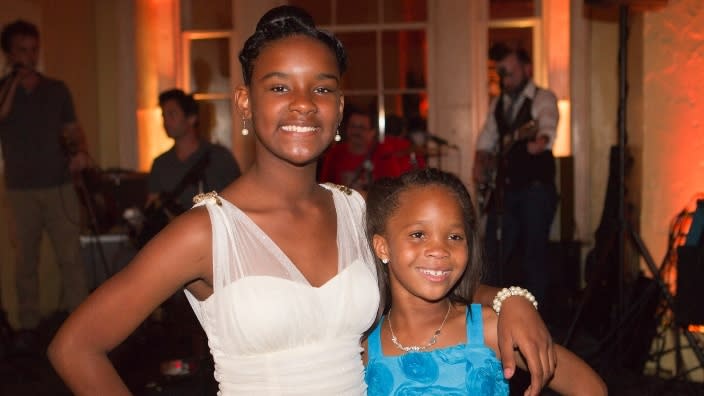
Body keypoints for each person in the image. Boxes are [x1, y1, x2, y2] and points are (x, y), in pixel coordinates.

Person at [49, 6, 556, 395]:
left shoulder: (356, 210)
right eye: (278, 86)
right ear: (245, 102)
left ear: (338, 108)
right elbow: (75, 347)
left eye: (321, 88)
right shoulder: (207, 232)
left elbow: (437, 277)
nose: (301, 105)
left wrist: (513, 300)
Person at [364, 168, 607, 395]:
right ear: (382, 247)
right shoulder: (363, 347)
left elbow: (589, 387)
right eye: (418, 234)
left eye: (455, 236)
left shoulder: (490, 328)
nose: (439, 250)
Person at [0, 20, 91, 349]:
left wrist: (80, 152)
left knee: (70, 256)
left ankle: (82, 324)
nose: (30, 56)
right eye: (22, 50)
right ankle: (27, 326)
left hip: (58, 185)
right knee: (25, 261)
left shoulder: (56, 89)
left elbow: (72, 129)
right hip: (20, 189)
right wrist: (12, 79)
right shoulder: (4, 89)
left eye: (34, 49)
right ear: (10, 54)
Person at [473, 43, 559, 307]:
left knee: (533, 256)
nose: (505, 79)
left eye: (510, 73)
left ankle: (536, 323)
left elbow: (547, 121)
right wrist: (480, 163)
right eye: (502, 74)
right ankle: (495, 315)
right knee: (496, 255)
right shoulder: (499, 104)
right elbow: (486, 140)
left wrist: (541, 140)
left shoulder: (542, 98)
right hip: (505, 191)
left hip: (535, 189)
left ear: (527, 68)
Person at [136, 88, 241, 248]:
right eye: (164, 115)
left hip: (216, 243)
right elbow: (153, 206)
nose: (165, 121)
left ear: (191, 118)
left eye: (172, 114)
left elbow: (238, 203)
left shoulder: (219, 158)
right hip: (173, 245)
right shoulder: (161, 163)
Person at [319, 106, 416, 194]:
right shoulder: (335, 153)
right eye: (353, 126)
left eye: (362, 128)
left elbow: (392, 188)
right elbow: (325, 187)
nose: (356, 131)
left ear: (372, 132)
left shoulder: (382, 153)